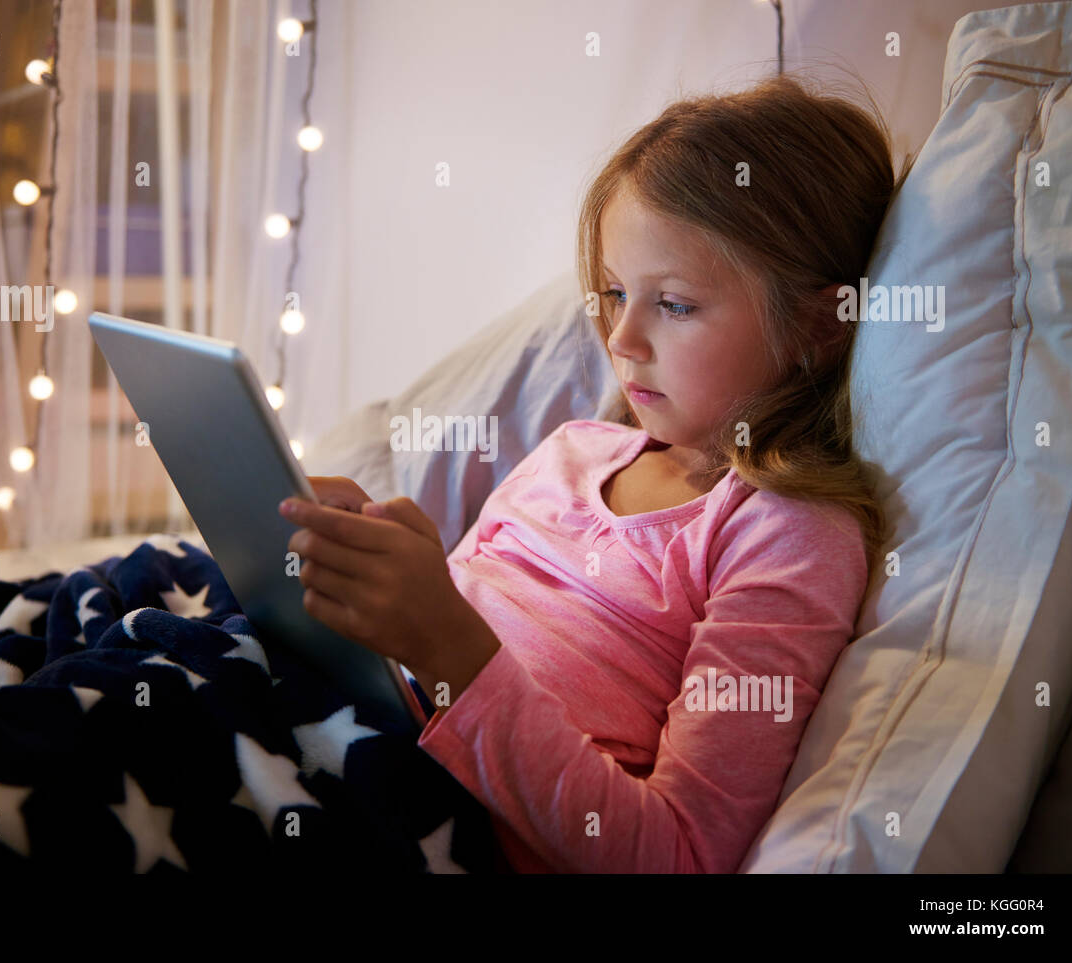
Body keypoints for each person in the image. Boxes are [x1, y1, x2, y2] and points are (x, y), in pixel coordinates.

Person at [277, 73, 913, 873]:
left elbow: (676, 853)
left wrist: (447, 649)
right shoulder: (575, 448)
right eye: (614, 292)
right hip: (334, 698)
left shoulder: (784, 531)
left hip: (404, 802)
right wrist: (364, 559)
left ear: (817, 326)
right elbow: (465, 605)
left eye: (674, 304)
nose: (621, 338)